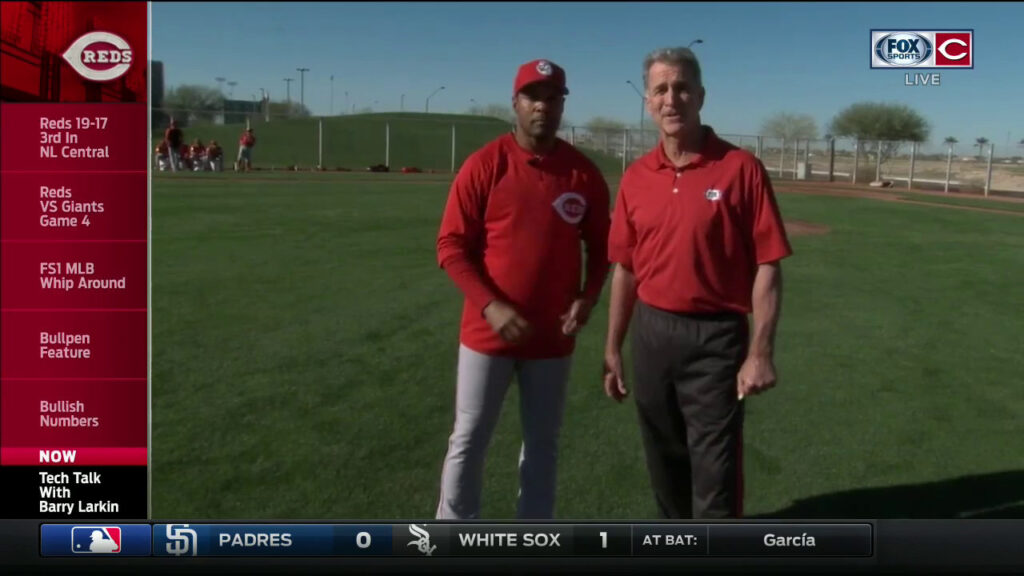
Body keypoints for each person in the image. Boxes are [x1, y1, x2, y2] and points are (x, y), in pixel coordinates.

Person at [603, 46, 793, 519]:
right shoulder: (636, 177)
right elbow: (625, 267)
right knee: (664, 462)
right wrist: (613, 345)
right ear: (648, 102)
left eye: (682, 87)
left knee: (715, 473)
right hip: (651, 334)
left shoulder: (740, 168)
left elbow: (768, 263)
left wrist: (761, 351)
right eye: (661, 89)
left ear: (701, 95)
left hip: (715, 340)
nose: (672, 99)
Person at [434, 58, 611, 519]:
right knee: (469, 438)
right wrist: (490, 305)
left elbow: (602, 247)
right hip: (486, 336)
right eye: (533, 97)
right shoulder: (484, 166)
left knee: (543, 444)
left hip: (553, 338)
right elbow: (450, 246)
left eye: (553, 99)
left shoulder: (583, 174)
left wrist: (588, 297)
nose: (543, 108)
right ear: (515, 102)